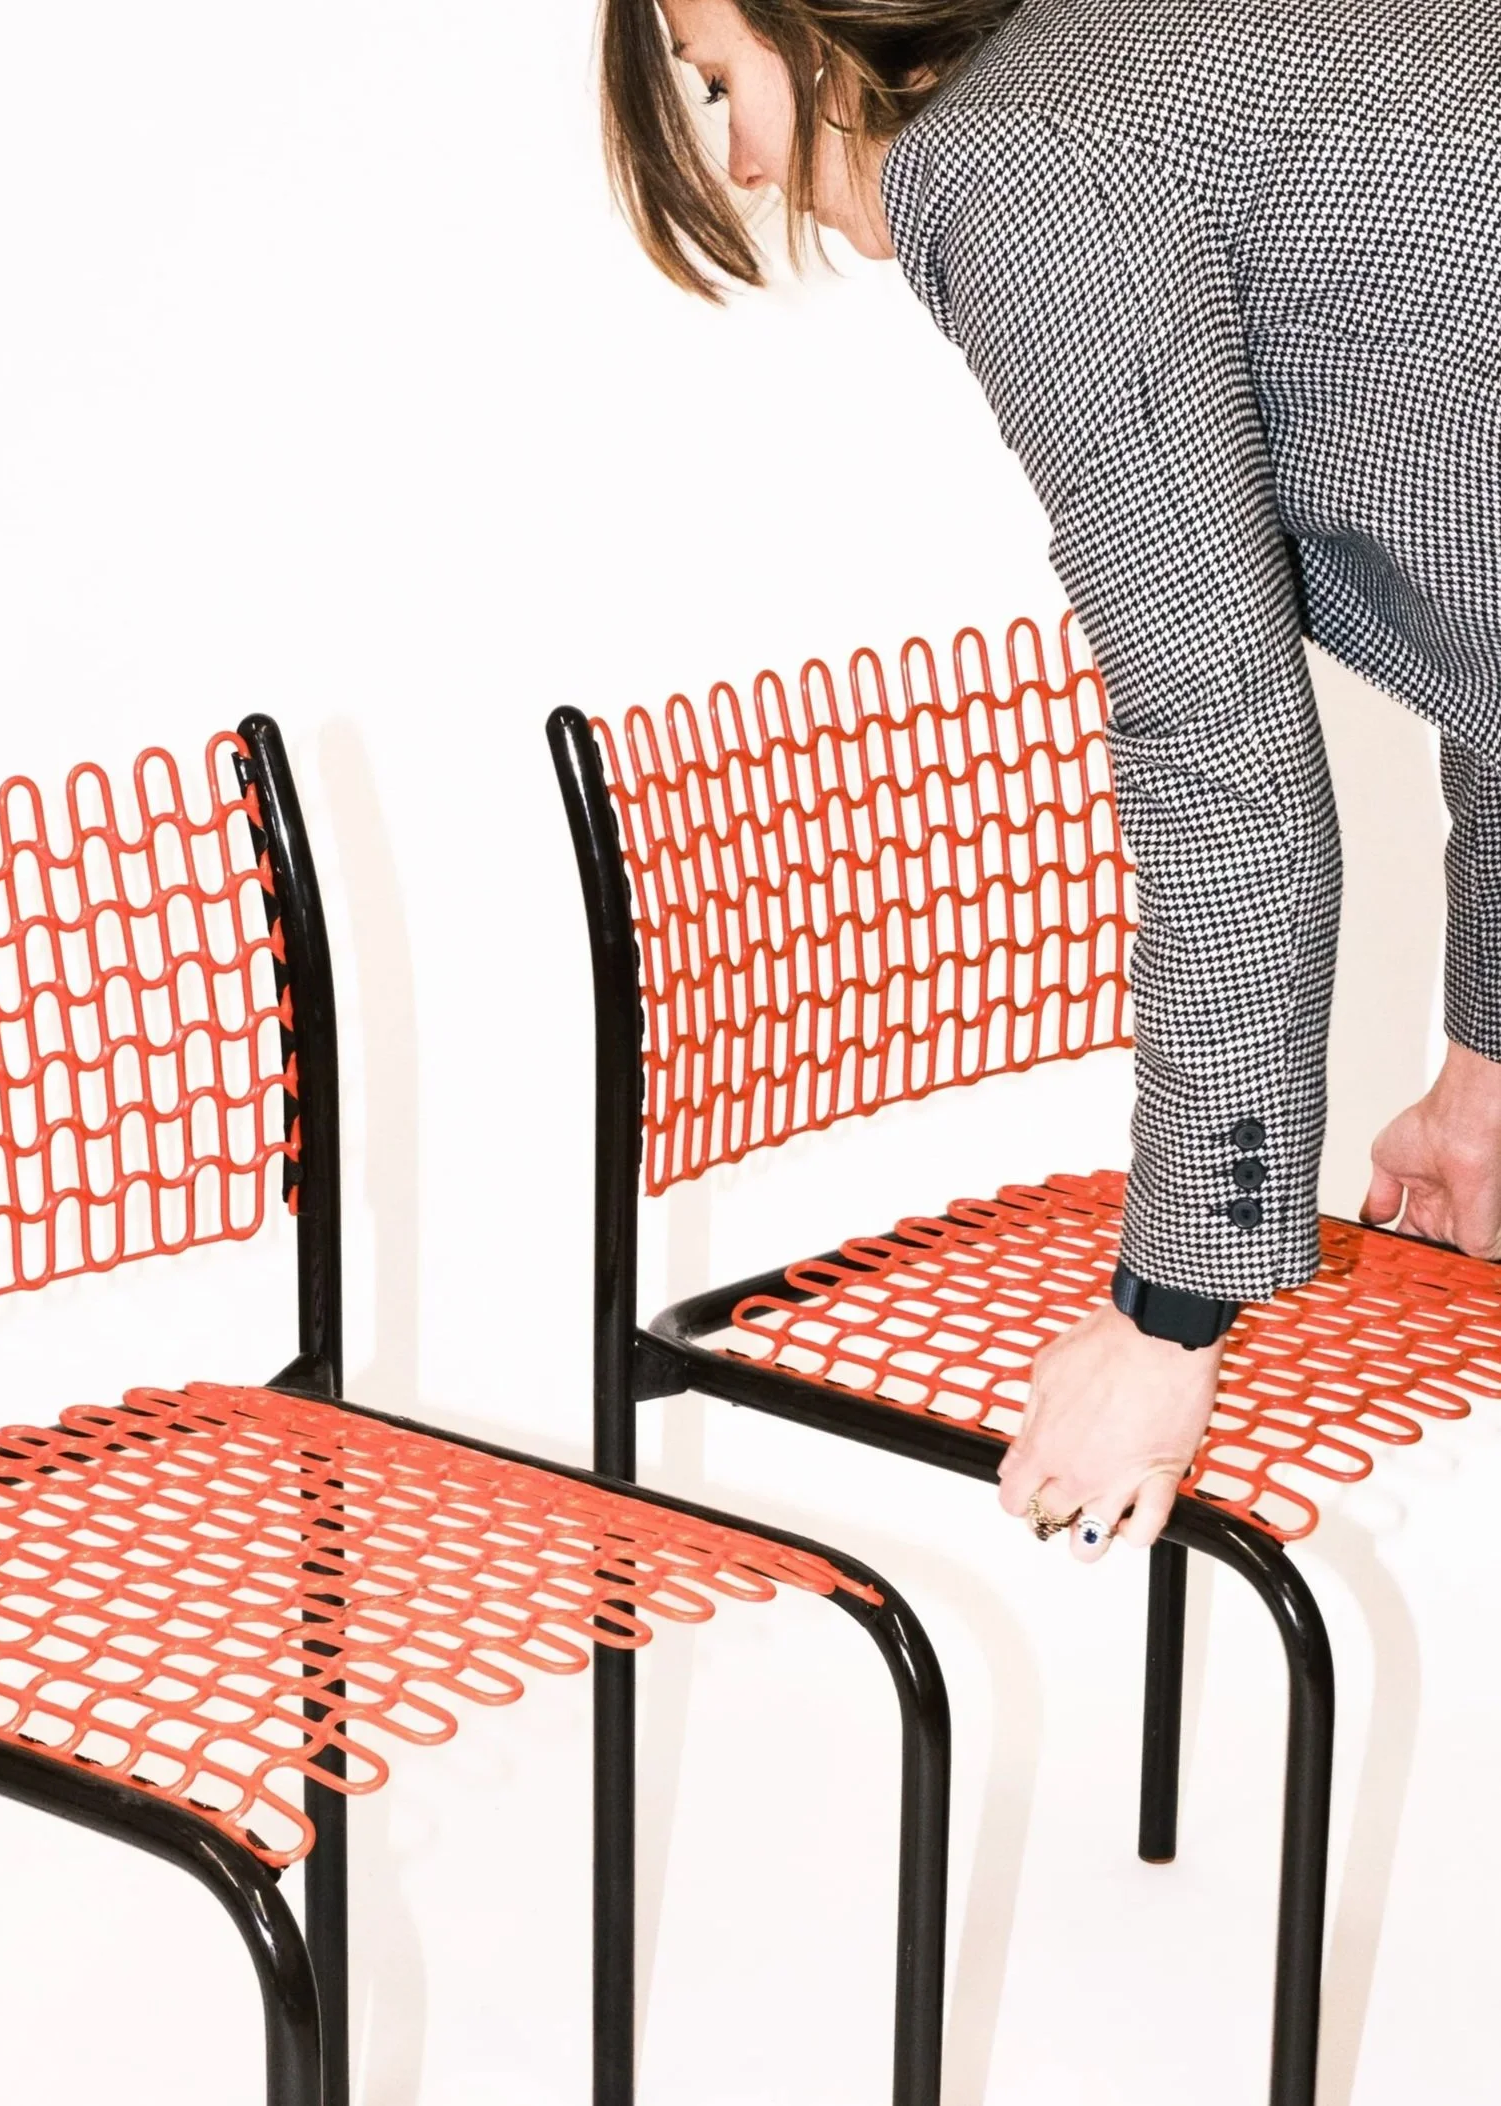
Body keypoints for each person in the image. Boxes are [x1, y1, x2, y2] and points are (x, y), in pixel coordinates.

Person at [600, 0, 1501, 1559]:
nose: (744, 160)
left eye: (716, 82)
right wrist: (1487, 1066)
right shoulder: (1143, 49)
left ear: (804, 26)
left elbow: (1214, 747)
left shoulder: (1016, 161)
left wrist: (1164, 1319)